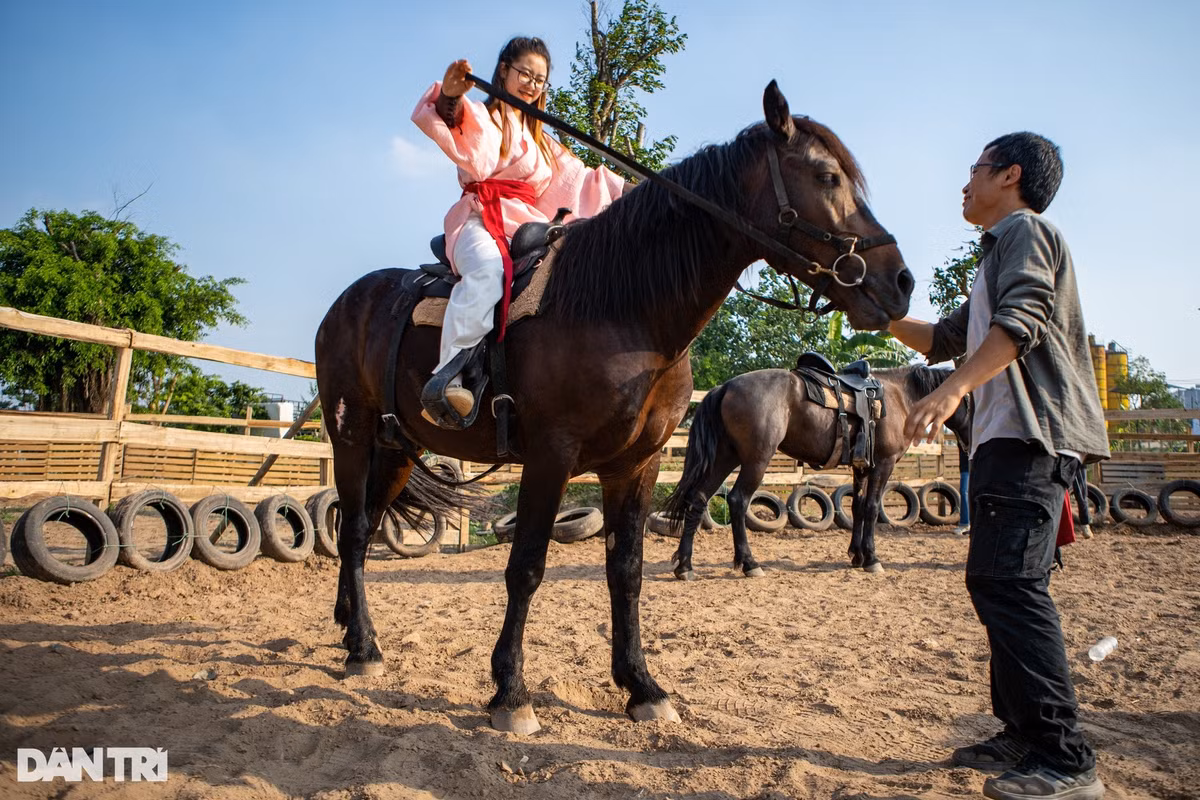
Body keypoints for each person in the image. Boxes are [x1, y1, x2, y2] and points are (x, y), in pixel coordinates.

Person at [888, 132, 1109, 800]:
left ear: (1010, 175)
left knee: (1011, 588)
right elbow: (943, 337)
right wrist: (874, 310)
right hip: (1002, 443)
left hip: (1028, 442)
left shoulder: (1026, 232)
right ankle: (1021, 732)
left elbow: (1026, 319)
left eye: (975, 170)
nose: (965, 184)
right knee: (996, 584)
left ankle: (1068, 760)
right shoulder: (994, 256)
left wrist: (951, 389)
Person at [411, 36, 628, 427]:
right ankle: (447, 377)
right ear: (504, 71)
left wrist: (639, 192)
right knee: (488, 272)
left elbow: (582, 180)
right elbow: (454, 119)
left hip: (527, 225)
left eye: (540, 78)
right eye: (525, 73)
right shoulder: (485, 116)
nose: (532, 83)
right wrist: (450, 95)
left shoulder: (544, 144)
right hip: (480, 218)